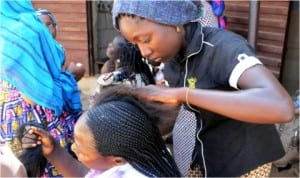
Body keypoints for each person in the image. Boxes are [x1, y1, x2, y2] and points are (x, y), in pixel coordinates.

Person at [111, 0, 295, 177]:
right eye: (136, 44)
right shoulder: (172, 61)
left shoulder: (222, 48)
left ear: (173, 21)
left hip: (244, 160)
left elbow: (282, 107)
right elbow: (178, 111)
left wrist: (183, 94)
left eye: (145, 39)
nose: (144, 52)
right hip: (208, 152)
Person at [20, 85, 181, 177]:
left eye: (82, 150)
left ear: (117, 160)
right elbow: (86, 173)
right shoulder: (135, 162)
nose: (74, 148)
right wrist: (54, 151)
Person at [0, 1, 83, 177]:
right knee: (53, 164)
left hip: (8, 115)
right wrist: (70, 76)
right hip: (36, 117)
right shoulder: (27, 29)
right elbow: (35, 93)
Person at [36, 8, 85, 81]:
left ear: (55, 27)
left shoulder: (59, 48)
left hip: (54, 84)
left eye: (49, 24)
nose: (45, 29)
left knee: (78, 68)